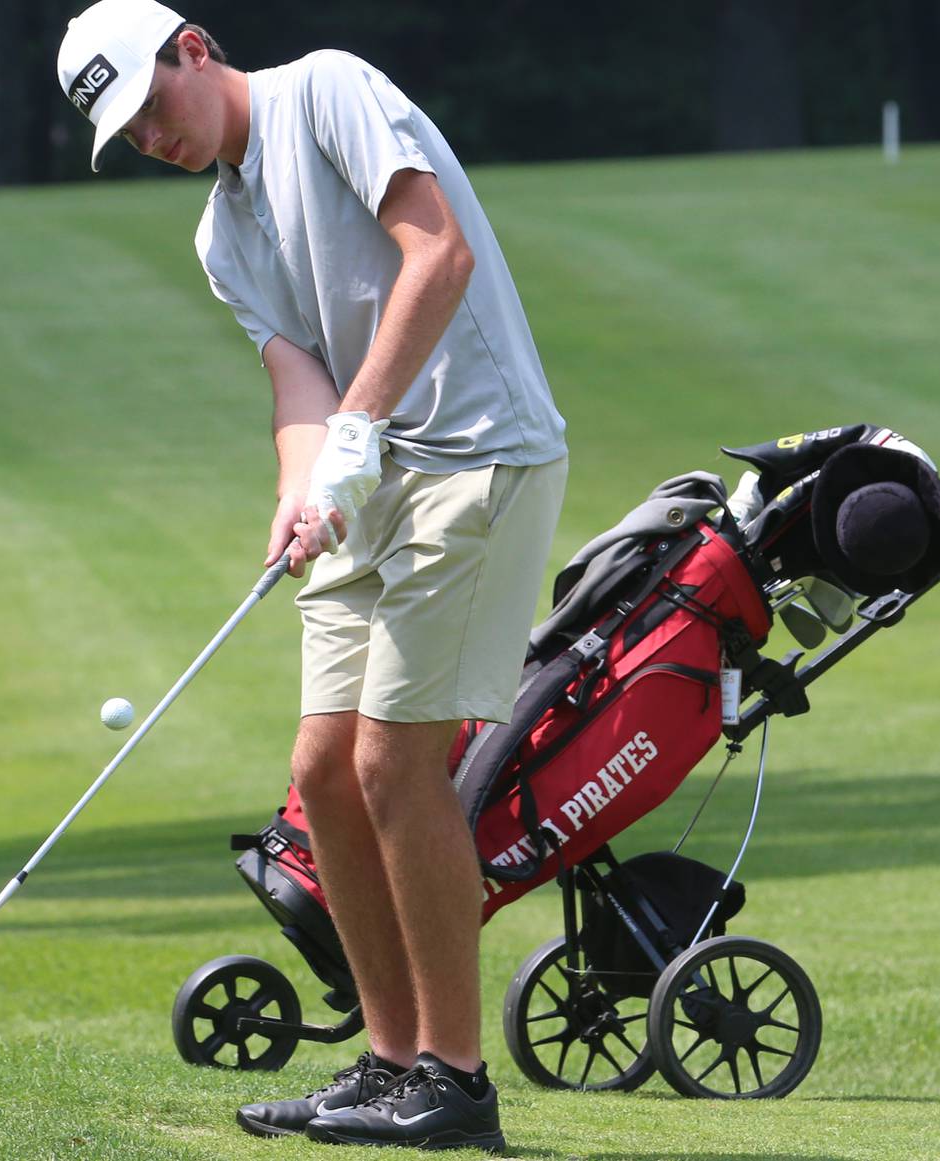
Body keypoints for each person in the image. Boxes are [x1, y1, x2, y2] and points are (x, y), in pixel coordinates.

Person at [58, 1, 567, 1151]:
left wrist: (355, 434)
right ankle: (391, 1065)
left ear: (194, 47)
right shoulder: (216, 233)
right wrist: (303, 485)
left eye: (152, 104)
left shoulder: (327, 88)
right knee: (322, 770)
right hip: (367, 478)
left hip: (479, 457)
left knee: (393, 757)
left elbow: (439, 252)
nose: (151, 137)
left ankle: (458, 1080)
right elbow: (298, 382)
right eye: (125, 133)